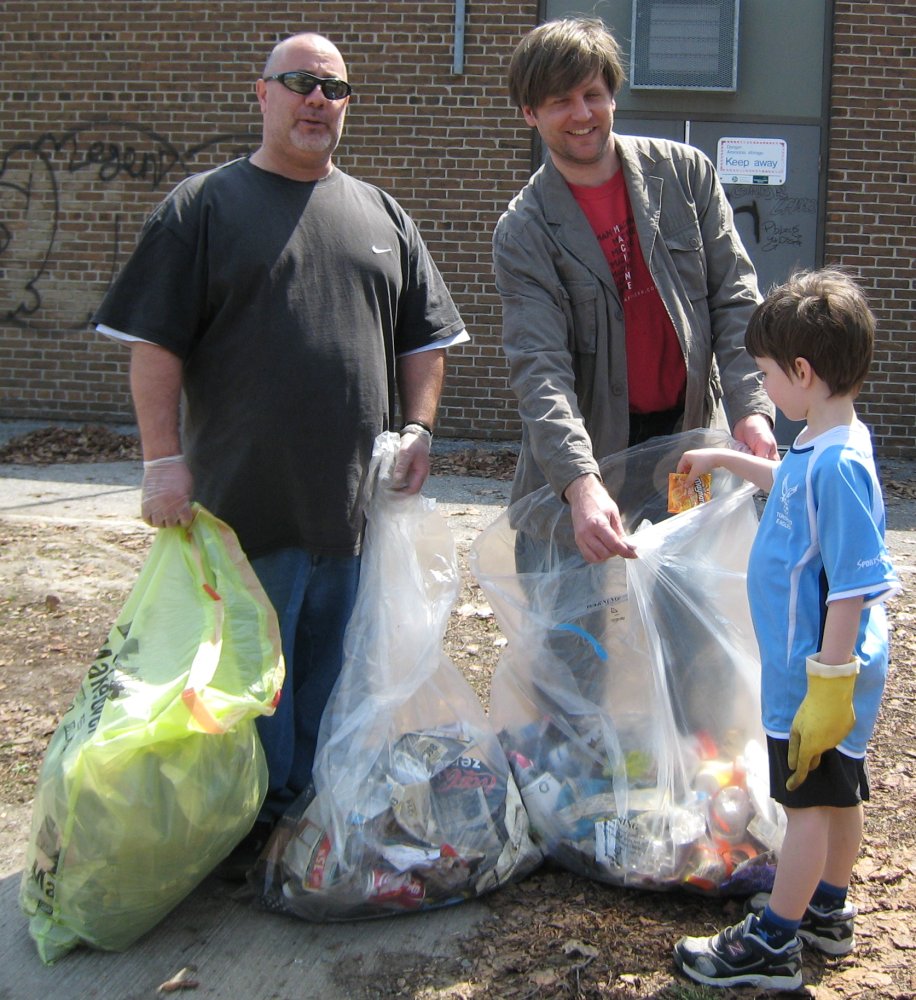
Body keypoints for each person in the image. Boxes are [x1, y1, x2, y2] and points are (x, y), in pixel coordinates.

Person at [93, 32, 468, 875]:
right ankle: (239, 834)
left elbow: (427, 340)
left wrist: (420, 428)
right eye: (298, 84)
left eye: (333, 89)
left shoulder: (382, 216)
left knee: (333, 684)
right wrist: (161, 462)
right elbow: (153, 345)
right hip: (241, 512)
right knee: (246, 689)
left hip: (353, 514)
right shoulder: (204, 207)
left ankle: (305, 825)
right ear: (260, 93)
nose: (316, 102)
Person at [672, 268, 900, 990]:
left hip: (817, 675)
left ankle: (776, 939)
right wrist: (725, 458)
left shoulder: (838, 466)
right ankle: (829, 910)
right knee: (839, 794)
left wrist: (827, 689)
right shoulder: (824, 443)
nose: (764, 387)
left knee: (805, 806)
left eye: (767, 375)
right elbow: (786, 482)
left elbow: (857, 584)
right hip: (825, 672)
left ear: (802, 372)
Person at [493, 17, 778, 563]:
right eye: (559, 102)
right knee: (571, 639)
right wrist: (579, 484)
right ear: (530, 113)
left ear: (612, 96)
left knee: (687, 627)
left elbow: (737, 301)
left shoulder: (685, 174)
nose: (582, 115)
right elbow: (539, 368)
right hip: (584, 462)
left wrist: (751, 410)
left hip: (686, 456)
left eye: (593, 95)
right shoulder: (523, 232)